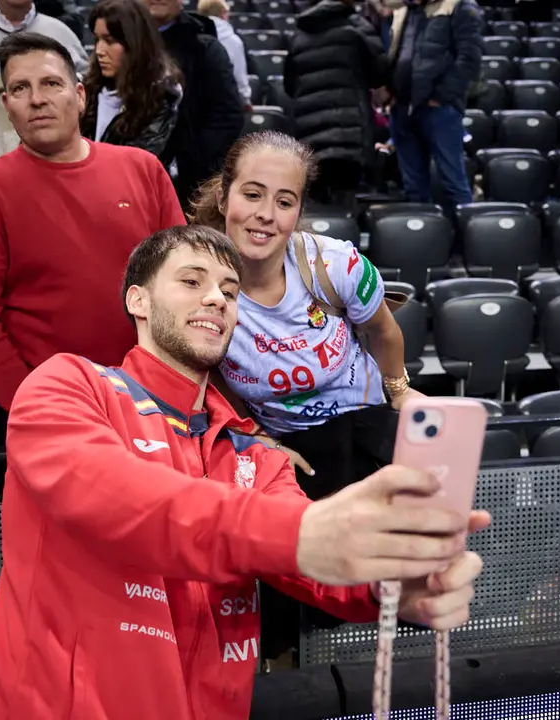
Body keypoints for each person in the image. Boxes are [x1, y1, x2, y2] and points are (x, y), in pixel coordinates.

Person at [0, 222, 490, 719]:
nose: (216, 298)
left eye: (230, 290)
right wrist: (303, 531)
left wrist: (394, 584)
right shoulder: (68, 385)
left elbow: (310, 562)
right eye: (191, 281)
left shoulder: (252, 456)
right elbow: (108, 493)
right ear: (138, 300)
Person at [191, 130, 424, 658]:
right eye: (252, 194)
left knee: (386, 562)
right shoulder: (201, 284)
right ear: (225, 196)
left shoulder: (333, 264)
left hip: (360, 421)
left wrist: (400, 389)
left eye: (284, 201)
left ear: (299, 211)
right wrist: (253, 437)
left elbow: (385, 332)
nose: (265, 215)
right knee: (284, 566)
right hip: (285, 442)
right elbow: (207, 379)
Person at [0, 32, 187, 413]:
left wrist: (172, 385)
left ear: (79, 95)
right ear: (7, 106)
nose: (37, 99)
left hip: (154, 399)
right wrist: (37, 405)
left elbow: (182, 285)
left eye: (51, 84)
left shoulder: (143, 169)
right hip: (50, 410)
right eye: (20, 88)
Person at [142, 0, 244, 209]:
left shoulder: (205, 47)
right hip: (133, 179)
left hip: (190, 185)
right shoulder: (117, 44)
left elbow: (228, 114)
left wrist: (193, 162)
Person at [285, 0, 388, 205]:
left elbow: (289, 86)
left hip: (309, 137)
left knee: (314, 209)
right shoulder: (357, 26)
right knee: (345, 204)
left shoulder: (300, 33)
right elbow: (380, 73)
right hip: (349, 135)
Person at [385, 0, 484, 206]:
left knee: (453, 183)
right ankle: (422, 237)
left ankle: (468, 236)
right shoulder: (405, 10)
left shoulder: (460, 6)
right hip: (402, 106)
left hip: (439, 109)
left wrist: (441, 96)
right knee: (413, 187)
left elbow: (470, 58)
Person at [80, 0, 182, 158]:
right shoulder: (87, 88)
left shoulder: (161, 97)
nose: (99, 50)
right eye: (97, 40)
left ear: (134, 43)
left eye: (110, 41)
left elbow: (137, 162)